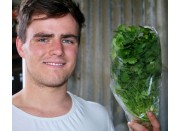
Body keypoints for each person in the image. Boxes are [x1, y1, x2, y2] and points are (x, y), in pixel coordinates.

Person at [12, 0, 160, 131]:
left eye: (68, 40)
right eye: (43, 39)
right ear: (20, 46)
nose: (58, 50)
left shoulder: (98, 116)